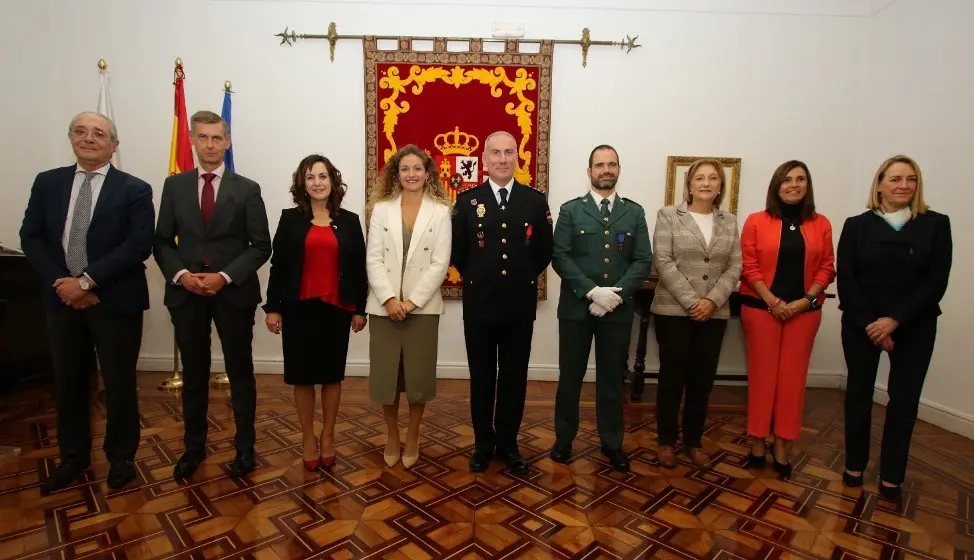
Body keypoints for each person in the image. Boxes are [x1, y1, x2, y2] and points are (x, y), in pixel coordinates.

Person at [19, 112, 154, 492]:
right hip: (61, 299)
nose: (89, 138)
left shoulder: (135, 189)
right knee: (68, 382)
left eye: (99, 133)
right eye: (81, 131)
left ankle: (121, 458)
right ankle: (73, 458)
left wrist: (88, 281)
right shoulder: (48, 183)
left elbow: (138, 245)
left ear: (114, 144)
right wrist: (64, 283)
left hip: (115, 300)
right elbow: (31, 237)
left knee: (119, 382)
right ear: (71, 139)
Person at [153, 110, 272, 479]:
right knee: (194, 373)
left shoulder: (246, 188)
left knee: (240, 372)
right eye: (202, 137)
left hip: (232, 294)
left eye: (216, 138)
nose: (209, 145)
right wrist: (182, 275)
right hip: (187, 294)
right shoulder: (174, 186)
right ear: (192, 139)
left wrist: (223, 276)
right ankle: (193, 449)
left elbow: (260, 246)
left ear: (228, 141)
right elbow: (161, 242)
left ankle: (245, 448)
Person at [838, 155, 952, 500]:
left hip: (915, 325)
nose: (904, 186)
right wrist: (873, 325)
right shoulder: (857, 225)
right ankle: (855, 464)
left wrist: (895, 320)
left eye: (911, 179)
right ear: (880, 184)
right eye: (896, 179)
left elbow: (936, 281)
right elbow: (847, 279)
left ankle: (891, 474)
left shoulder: (935, 224)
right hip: (862, 324)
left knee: (904, 400)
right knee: (858, 395)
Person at [451, 130, 554, 475]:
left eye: (509, 152)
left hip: (518, 306)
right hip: (479, 304)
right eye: (495, 153)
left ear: (517, 157)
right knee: (482, 377)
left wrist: (518, 278)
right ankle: (483, 444)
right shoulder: (467, 201)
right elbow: (459, 254)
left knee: (514, 377)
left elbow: (542, 253)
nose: (502, 159)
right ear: (484, 159)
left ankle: (508, 444)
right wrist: (482, 278)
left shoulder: (534, 201)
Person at [549, 145, 652, 472]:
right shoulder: (570, 211)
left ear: (619, 169)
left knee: (611, 381)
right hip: (577, 312)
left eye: (611, 164)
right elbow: (560, 256)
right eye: (599, 165)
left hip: (617, 312)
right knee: (571, 379)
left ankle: (612, 443)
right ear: (589, 170)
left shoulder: (634, 212)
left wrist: (615, 296)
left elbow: (642, 259)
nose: (605, 169)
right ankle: (564, 440)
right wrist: (593, 292)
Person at [263, 154, 368, 471]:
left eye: (323, 177)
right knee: (303, 378)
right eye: (310, 177)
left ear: (333, 181)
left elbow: (358, 268)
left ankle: (329, 436)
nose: (317, 183)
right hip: (298, 309)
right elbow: (278, 266)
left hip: (336, 310)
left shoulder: (349, 221)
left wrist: (359, 309)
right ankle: (308, 437)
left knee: (332, 377)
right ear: (302, 184)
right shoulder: (289, 219)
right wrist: (273, 309)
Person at [739, 160, 835, 477]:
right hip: (760, 308)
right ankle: (756, 440)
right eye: (786, 180)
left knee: (792, 381)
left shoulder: (821, 223)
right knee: (763, 377)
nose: (793, 185)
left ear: (807, 186)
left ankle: (782, 443)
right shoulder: (756, 221)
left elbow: (827, 267)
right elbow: (749, 265)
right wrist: (772, 300)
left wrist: (804, 301)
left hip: (804, 312)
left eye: (800, 179)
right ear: (776, 186)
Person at [650, 158, 742, 470]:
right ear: (688, 185)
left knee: (702, 381)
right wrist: (692, 302)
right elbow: (662, 259)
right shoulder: (668, 216)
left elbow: (735, 266)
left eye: (712, 178)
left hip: (713, 315)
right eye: (699, 178)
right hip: (674, 311)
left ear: (720, 186)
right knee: (672, 379)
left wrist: (712, 301)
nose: (706, 183)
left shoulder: (729, 222)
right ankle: (665, 442)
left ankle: (693, 441)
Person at [365, 145, 452, 469]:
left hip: (423, 309)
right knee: (387, 378)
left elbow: (439, 263)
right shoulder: (382, 209)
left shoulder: (440, 211)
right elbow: (372, 258)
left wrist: (412, 302)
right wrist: (389, 299)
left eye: (417, 169)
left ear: (427, 173)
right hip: (383, 307)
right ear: (396, 174)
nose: (411, 174)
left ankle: (413, 434)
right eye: (405, 169)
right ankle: (391, 434)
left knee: (417, 378)